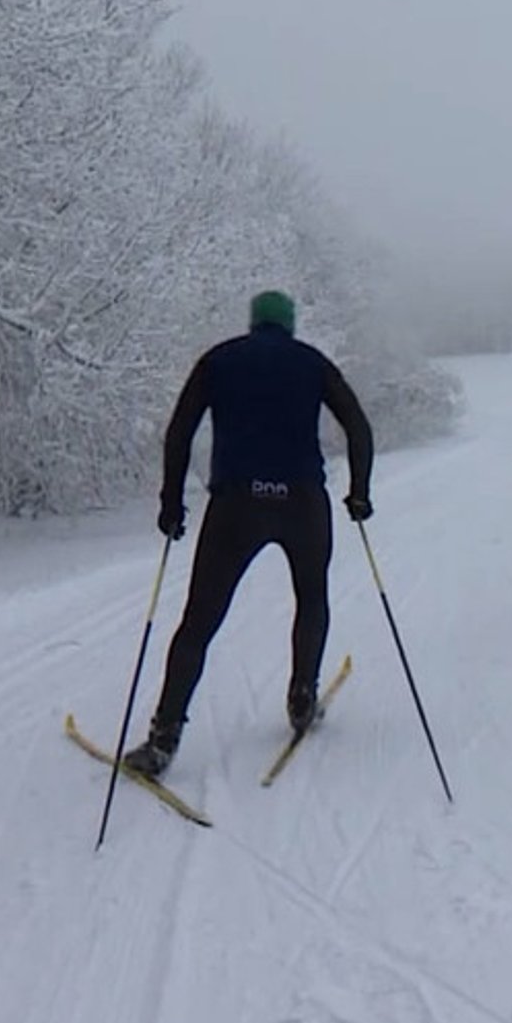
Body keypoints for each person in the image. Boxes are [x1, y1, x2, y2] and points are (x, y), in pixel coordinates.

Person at [122, 290, 375, 778]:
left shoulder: (219, 360)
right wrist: (359, 494)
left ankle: (163, 737)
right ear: (291, 324)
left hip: (236, 505)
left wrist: (171, 502)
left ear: (254, 322)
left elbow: (179, 431)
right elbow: (359, 428)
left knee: (198, 621)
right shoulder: (312, 362)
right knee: (311, 598)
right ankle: (302, 698)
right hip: (302, 502)